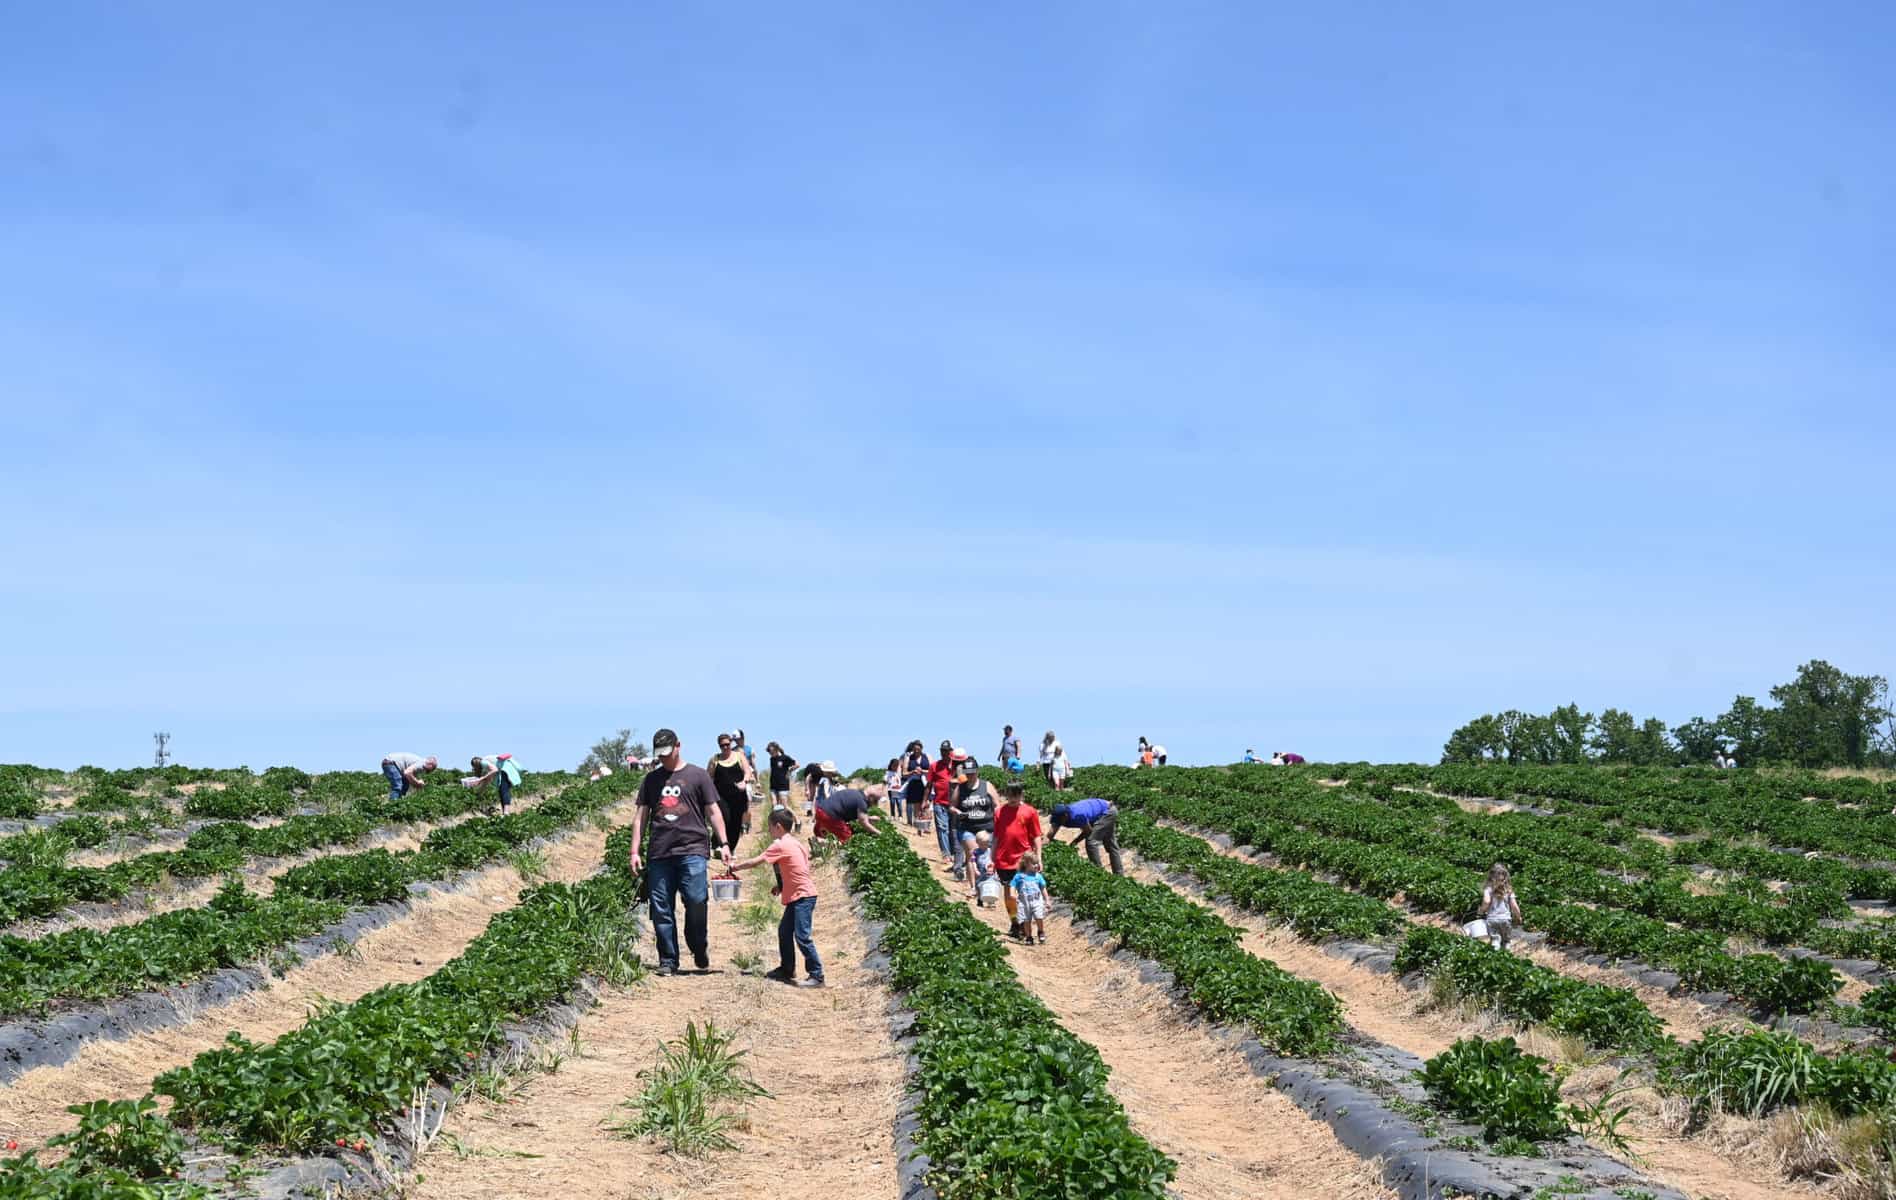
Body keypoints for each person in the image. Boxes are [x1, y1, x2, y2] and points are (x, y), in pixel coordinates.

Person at [628, 729, 733, 977]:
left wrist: (724, 843)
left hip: (693, 848)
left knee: (696, 900)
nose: (663, 759)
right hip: (660, 852)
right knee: (661, 906)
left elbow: (714, 811)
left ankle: (698, 945)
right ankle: (668, 958)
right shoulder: (651, 780)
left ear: (678, 746)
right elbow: (640, 817)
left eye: (667, 753)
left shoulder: (698, 776)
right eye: (659, 755)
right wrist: (634, 850)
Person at [726, 807, 823, 988]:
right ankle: (787, 969)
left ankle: (817, 975)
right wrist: (782, 886)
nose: (769, 831)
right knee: (784, 931)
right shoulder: (796, 843)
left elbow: (756, 861)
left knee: (802, 936)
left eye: (770, 827)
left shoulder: (780, 844)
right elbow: (798, 869)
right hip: (801, 894)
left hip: (802, 896)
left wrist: (735, 867)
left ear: (778, 826)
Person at [992, 780, 1045, 941]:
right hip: (1004, 859)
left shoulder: (1029, 812)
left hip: (1023, 860)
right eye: (1010, 795)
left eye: (1016, 795)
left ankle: (1023, 923)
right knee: (1009, 894)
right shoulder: (999, 812)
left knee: (1023, 893)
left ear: (1021, 794)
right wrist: (992, 857)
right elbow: (996, 836)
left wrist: (1038, 858)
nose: (1013, 798)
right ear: (1005, 794)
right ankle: (1014, 921)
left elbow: (1036, 836)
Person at [1051, 797, 1122, 875]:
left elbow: (1088, 832)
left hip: (1108, 812)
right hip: (1102, 810)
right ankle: (1118, 874)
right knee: (1111, 845)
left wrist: (1075, 842)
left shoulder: (1077, 815)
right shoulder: (1061, 816)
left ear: (1065, 816)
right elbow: (1050, 835)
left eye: (1059, 820)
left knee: (1091, 842)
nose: (1058, 822)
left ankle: (1098, 873)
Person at [952, 757, 995, 880]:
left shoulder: (986, 786)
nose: (970, 775)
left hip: (986, 827)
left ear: (977, 771)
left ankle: (986, 881)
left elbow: (997, 805)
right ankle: (974, 886)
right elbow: (952, 806)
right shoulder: (960, 788)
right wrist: (958, 812)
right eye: (968, 772)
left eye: (973, 772)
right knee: (973, 853)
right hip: (967, 827)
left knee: (986, 855)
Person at [709, 733, 752, 853]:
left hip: (738, 796)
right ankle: (719, 844)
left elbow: (747, 771)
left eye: (727, 744)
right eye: (722, 745)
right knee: (724, 818)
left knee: (736, 823)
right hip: (721, 796)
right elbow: (708, 777)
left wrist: (745, 781)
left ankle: (730, 848)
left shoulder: (739, 756)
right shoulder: (715, 759)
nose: (725, 747)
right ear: (719, 746)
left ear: (730, 744)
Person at [813, 783, 884, 844]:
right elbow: (864, 823)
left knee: (823, 831)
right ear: (871, 798)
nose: (874, 804)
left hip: (820, 810)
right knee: (847, 839)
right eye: (875, 801)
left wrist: (869, 818)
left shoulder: (855, 792)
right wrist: (880, 833)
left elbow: (857, 815)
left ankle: (819, 838)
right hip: (829, 816)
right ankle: (821, 841)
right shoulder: (862, 802)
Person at [927, 742, 962, 865]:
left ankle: (954, 854)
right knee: (943, 829)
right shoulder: (934, 766)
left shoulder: (957, 766)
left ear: (951, 751)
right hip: (939, 802)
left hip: (955, 804)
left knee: (954, 830)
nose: (945, 753)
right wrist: (925, 801)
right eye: (942, 750)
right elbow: (928, 785)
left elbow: (964, 782)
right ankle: (946, 854)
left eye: (947, 750)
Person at [1011, 851, 1052, 945]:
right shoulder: (1019, 876)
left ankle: (1040, 931)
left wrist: (1047, 900)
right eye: (1034, 863)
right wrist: (1012, 894)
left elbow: (1043, 888)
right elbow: (1012, 885)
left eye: (1037, 863)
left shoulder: (1038, 876)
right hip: (1024, 902)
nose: (1036, 865)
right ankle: (1029, 937)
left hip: (1037, 901)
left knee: (1039, 916)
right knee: (1026, 920)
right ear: (1026, 864)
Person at [1480, 863, 1523, 952]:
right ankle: (1507, 956)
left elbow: (1486, 901)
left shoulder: (1488, 889)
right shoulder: (1508, 890)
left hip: (1492, 919)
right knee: (1506, 941)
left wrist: (1481, 910)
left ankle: (1495, 955)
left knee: (1495, 940)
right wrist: (1518, 917)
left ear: (1491, 876)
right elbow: (1514, 906)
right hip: (1505, 919)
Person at [901, 740, 931, 830]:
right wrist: (913, 772)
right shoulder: (908, 758)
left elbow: (932, 771)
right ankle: (919, 828)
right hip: (914, 784)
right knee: (916, 806)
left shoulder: (927, 756)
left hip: (926, 783)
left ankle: (926, 827)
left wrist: (923, 771)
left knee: (927, 804)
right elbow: (904, 773)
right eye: (914, 749)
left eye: (918, 749)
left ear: (922, 748)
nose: (916, 751)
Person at [967, 830, 997, 906]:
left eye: (986, 844)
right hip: (980, 873)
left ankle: (991, 901)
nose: (984, 846)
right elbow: (973, 861)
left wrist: (994, 869)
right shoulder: (975, 852)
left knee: (990, 886)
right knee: (979, 886)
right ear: (977, 842)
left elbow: (993, 860)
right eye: (982, 844)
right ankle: (980, 900)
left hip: (989, 873)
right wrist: (975, 869)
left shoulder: (990, 851)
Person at [766, 742, 798, 806]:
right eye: (769, 752)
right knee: (774, 804)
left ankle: (793, 816)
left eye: (771, 752)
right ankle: (775, 816)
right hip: (773, 785)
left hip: (783, 784)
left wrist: (789, 771)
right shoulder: (772, 759)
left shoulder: (785, 758)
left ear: (777, 750)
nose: (770, 754)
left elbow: (797, 765)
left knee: (784, 806)